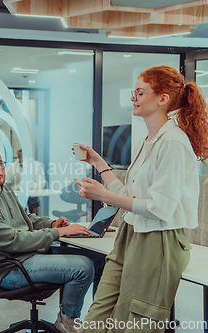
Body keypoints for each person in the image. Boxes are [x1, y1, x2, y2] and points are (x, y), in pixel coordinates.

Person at [74, 65, 208, 333]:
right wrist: (100, 164)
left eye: (139, 92)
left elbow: (160, 208)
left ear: (162, 99)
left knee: (134, 323)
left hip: (158, 240)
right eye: (133, 92)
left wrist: (105, 195)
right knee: (97, 316)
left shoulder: (173, 143)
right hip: (132, 233)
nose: (133, 98)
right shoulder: (148, 140)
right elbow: (130, 198)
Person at [0, 146, 106, 333]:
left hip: (31, 254)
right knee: (82, 267)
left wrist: (52, 224)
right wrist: (59, 233)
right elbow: (15, 241)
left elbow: (27, 218)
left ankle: (100, 319)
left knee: (98, 258)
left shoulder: (3, 191)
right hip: (12, 268)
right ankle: (68, 320)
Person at [5, 149, 46, 214]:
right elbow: (6, 181)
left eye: (22, 158)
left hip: (32, 195)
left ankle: (33, 221)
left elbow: (41, 184)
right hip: (16, 195)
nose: (20, 160)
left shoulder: (37, 166)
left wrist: (27, 187)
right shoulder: (13, 166)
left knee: (33, 201)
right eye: (19, 157)